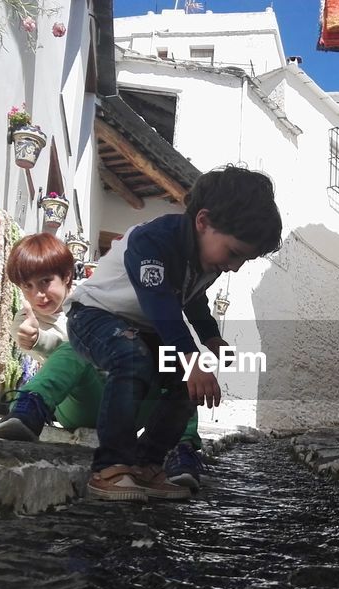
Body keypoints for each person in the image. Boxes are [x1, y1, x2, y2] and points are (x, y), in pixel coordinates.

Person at [65, 165, 282, 502]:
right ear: (203, 221)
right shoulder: (153, 241)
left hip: (142, 331)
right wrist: (192, 356)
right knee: (133, 356)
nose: (235, 267)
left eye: (244, 260)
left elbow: (193, 301)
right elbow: (161, 305)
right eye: (235, 253)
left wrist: (210, 337)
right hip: (94, 317)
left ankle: (147, 463)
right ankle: (110, 466)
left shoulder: (206, 261)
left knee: (185, 381)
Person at [0, 233, 207, 488]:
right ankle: (30, 407)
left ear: (67, 277)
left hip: (126, 402)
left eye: (45, 281)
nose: (37, 294)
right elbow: (51, 346)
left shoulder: (95, 301)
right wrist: (36, 338)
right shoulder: (28, 319)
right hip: (81, 402)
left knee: (183, 370)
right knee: (75, 349)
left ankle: (182, 449)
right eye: (27, 287)